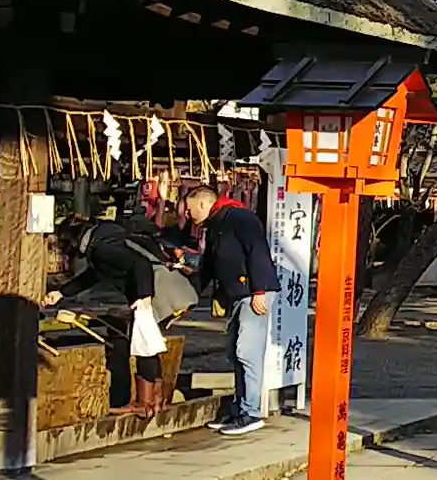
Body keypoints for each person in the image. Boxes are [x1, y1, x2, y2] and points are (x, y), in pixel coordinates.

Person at [49, 206, 194, 416]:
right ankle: (157, 401)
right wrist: (61, 293)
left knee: (143, 346)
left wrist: (144, 297)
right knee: (149, 344)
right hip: (165, 288)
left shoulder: (103, 248)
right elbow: (94, 275)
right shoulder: (107, 238)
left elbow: (140, 264)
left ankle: (144, 404)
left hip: (154, 291)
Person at [183, 186, 279, 436]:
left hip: (253, 292)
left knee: (247, 352)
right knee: (235, 353)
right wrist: (188, 295)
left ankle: (251, 413)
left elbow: (257, 251)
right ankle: (239, 409)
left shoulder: (240, 217)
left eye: (189, 209)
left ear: (202, 204)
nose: (186, 214)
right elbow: (209, 266)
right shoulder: (214, 225)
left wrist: (260, 290)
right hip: (237, 295)